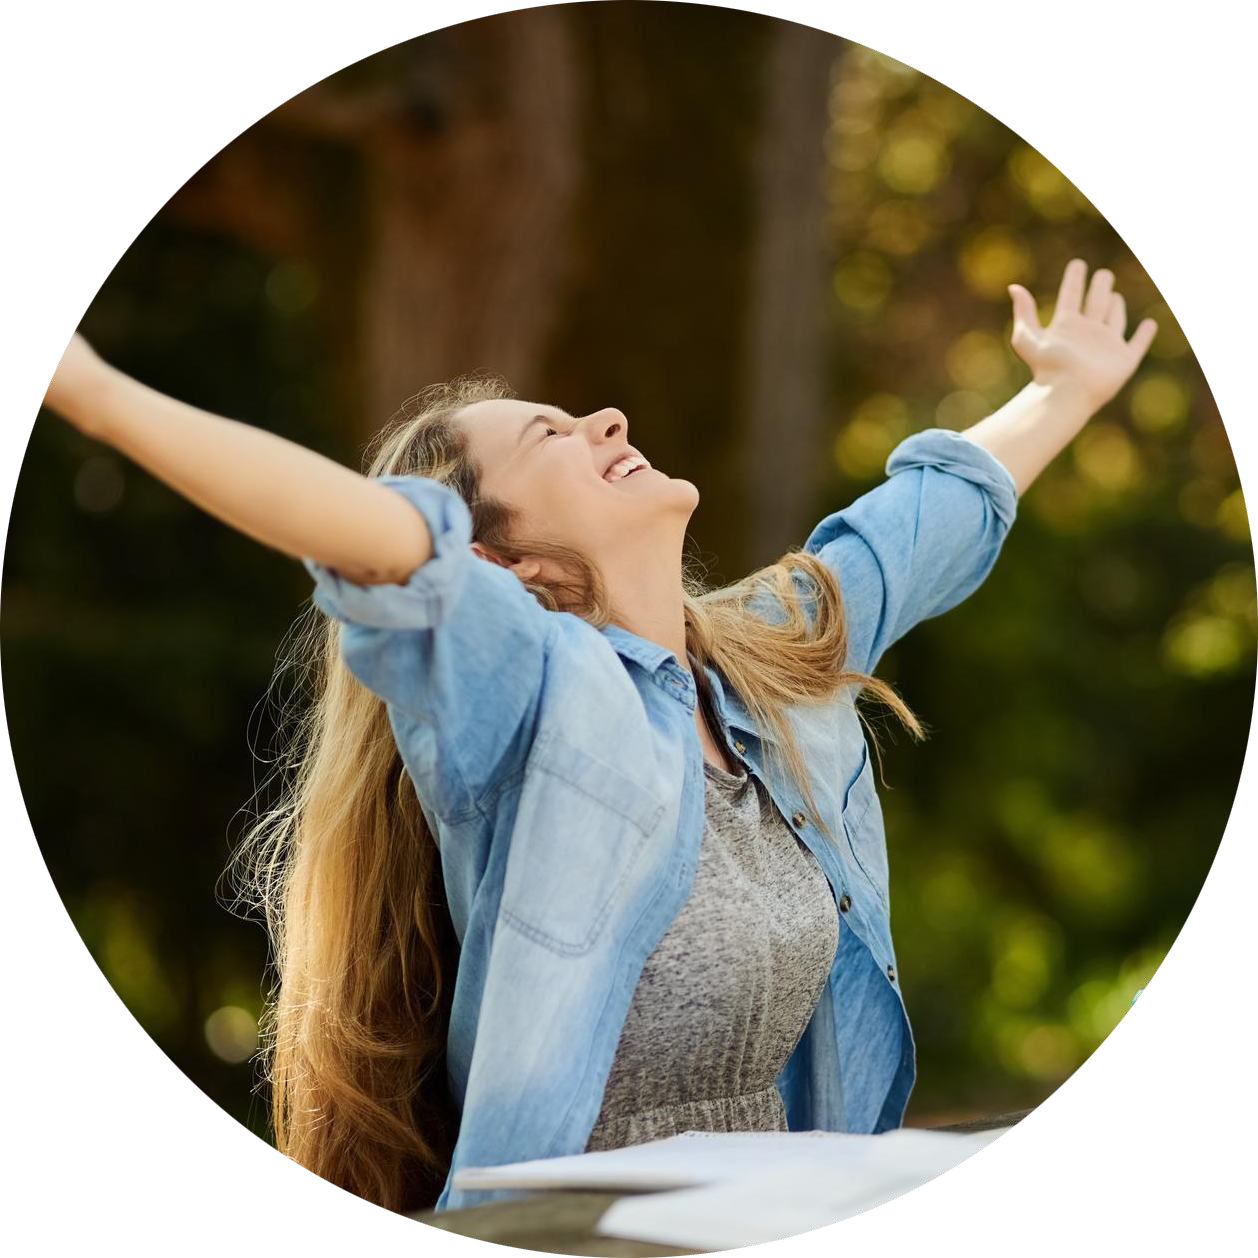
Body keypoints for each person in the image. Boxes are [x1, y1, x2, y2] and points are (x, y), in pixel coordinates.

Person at [40, 258, 1157, 1214]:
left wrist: (1061, 390)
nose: (606, 419)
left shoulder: (767, 658)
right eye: (555, 435)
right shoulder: (526, 696)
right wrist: (90, 392)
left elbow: (921, 525)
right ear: (499, 564)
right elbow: (369, 539)